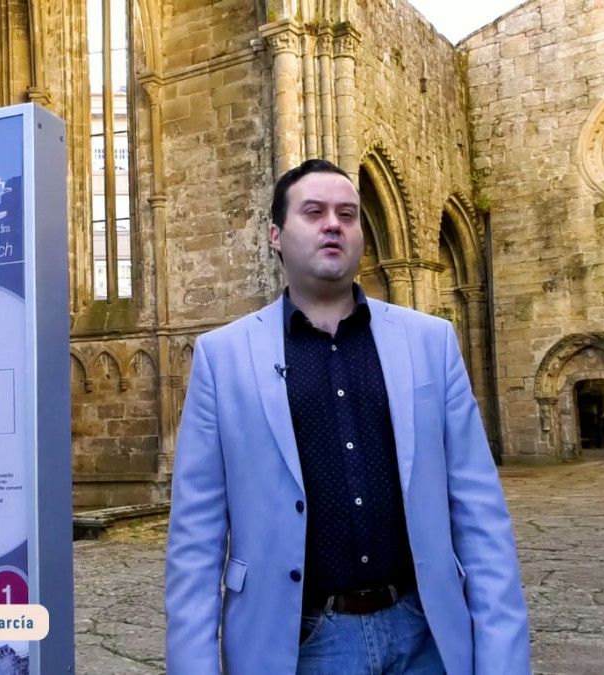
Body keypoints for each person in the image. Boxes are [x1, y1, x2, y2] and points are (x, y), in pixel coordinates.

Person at [165, 159, 530, 674]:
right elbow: (195, 539)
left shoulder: (431, 342)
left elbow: (480, 513)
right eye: (313, 212)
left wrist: (502, 661)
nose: (333, 224)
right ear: (275, 235)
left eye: (347, 214)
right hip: (300, 641)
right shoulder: (222, 357)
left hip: (424, 632)